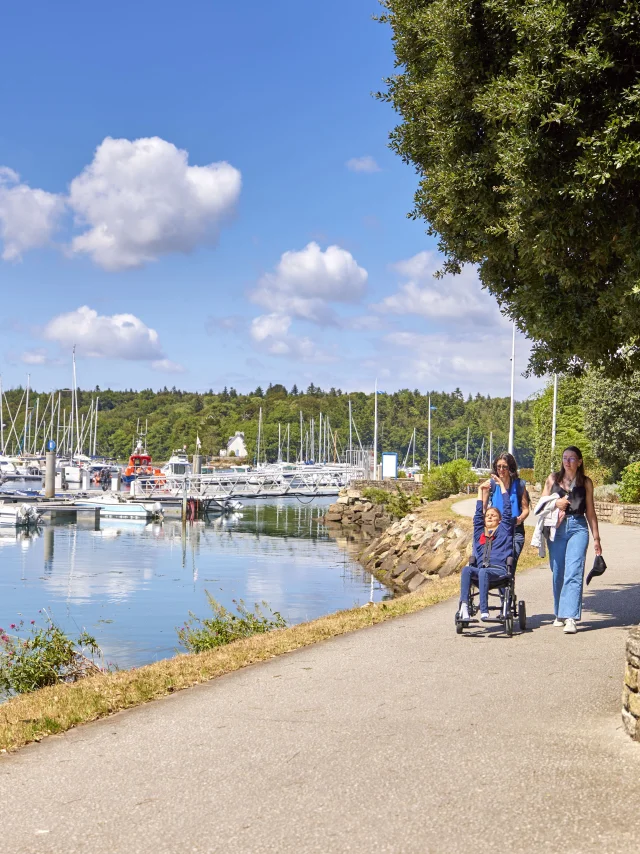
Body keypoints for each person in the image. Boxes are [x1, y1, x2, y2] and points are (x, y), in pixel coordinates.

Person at [539, 445, 602, 634]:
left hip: (578, 526)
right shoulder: (552, 479)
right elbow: (541, 505)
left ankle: (571, 617)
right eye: (565, 458)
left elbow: (590, 511)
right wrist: (555, 502)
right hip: (556, 529)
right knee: (558, 571)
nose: (567, 461)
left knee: (574, 570)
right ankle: (559, 612)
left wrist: (596, 538)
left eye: (572, 458)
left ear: (579, 461)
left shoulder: (586, 483)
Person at [458, 476, 514, 622]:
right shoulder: (479, 533)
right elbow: (478, 515)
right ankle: (464, 606)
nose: (489, 517)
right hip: (481, 570)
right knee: (467, 570)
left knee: (483, 571)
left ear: (500, 520)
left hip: (498, 571)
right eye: (487, 515)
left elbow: (508, 509)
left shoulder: (504, 530)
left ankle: (484, 610)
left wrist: (502, 484)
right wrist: (480, 490)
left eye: (493, 515)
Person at [482, 453, 530, 569]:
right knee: (499, 564)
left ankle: (508, 585)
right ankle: (504, 586)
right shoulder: (492, 484)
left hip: (515, 531)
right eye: (499, 467)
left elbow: (525, 509)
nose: (501, 470)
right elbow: (483, 509)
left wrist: (521, 519)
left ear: (511, 468)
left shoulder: (519, 485)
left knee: (510, 564)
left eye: (505, 467)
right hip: (496, 531)